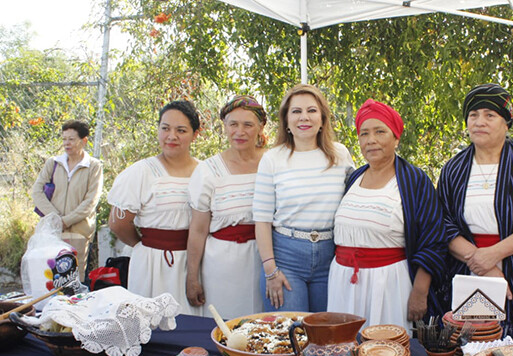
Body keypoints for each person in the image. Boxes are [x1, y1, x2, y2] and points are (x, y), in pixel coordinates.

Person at [438, 84, 513, 341]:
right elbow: (444, 223)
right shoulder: (453, 168)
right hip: (469, 267)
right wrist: (483, 264)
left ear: (506, 122)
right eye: (473, 115)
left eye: (490, 115)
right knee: (474, 343)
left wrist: (494, 255)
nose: (480, 122)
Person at [327, 99, 447, 330]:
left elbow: (434, 240)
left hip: (389, 284)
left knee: (387, 355)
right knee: (344, 354)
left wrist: (420, 293)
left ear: (396, 137)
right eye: (364, 134)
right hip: (343, 283)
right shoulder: (353, 179)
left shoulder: (414, 181)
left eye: (380, 131)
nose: (371, 140)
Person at [253, 84, 354, 312]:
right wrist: (271, 270)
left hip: (331, 259)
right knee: (291, 338)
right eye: (296, 111)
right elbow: (262, 219)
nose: (304, 117)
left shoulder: (340, 155)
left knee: (326, 339)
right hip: (286, 259)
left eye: (311, 110)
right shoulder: (273, 159)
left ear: (322, 118)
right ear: (286, 120)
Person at [107, 100, 201, 315]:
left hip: (194, 262)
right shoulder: (141, 172)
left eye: (181, 130)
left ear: (195, 134)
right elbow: (118, 223)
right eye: (165, 128)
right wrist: (144, 245)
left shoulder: (205, 172)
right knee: (151, 322)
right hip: (152, 263)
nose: (171, 136)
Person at [186, 96, 267, 319]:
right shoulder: (208, 170)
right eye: (233, 124)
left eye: (248, 125)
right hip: (222, 265)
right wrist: (192, 277)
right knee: (226, 328)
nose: (239, 131)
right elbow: (198, 229)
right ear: (225, 127)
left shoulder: (273, 163)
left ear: (260, 128)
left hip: (267, 259)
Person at [32, 120, 104, 279]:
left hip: (79, 232)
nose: (67, 143)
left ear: (84, 140)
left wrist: (67, 220)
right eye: (64, 139)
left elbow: (91, 201)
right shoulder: (53, 163)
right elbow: (37, 191)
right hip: (52, 231)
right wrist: (55, 218)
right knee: (50, 279)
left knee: (74, 281)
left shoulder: (94, 166)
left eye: (71, 139)